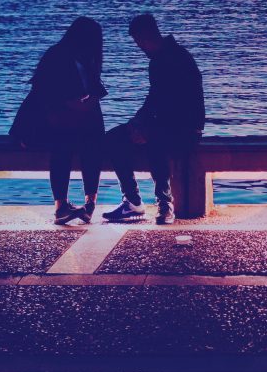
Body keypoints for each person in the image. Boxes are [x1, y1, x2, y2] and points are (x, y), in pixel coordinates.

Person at [102, 14, 205, 225]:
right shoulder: (165, 57)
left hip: (185, 128)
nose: (140, 47)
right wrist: (137, 124)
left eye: (139, 42)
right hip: (169, 123)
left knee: (154, 141)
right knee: (114, 138)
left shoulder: (172, 59)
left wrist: (146, 129)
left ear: (147, 36)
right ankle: (132, 201)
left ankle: (164, 203)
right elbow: (155, 99)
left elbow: (177, 104)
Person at [10, 17, 107, 225]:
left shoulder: (85, 59)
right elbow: (49, 99)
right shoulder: (58, 57)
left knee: (93, 139)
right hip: (42, 122)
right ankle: (61, 206)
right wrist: (80, 105)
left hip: (68, 119)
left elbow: (93, 91)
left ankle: (89, 202)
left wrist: (88, 102)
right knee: (65, 143)